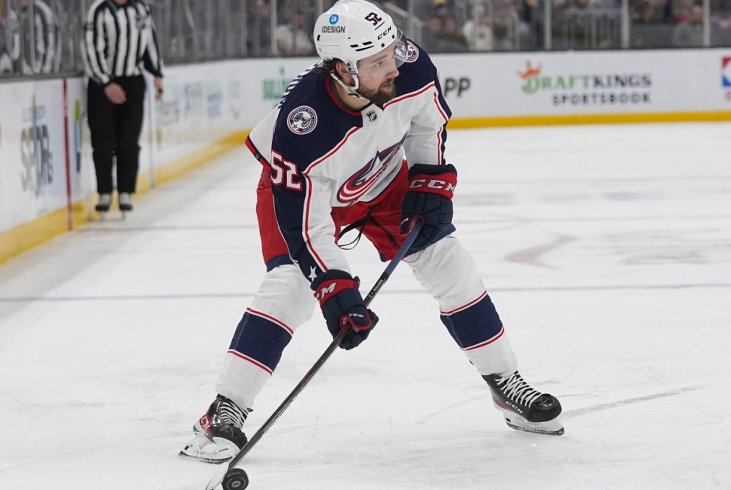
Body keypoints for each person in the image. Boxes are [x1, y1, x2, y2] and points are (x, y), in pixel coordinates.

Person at [179, 0, 563, 464]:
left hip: (381, 179)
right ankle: (225, 410)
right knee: (291, 287)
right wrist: (334, 287)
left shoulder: (408, 65)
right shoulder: (302, 129)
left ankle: (505, 382)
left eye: (393, 51)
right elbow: (308, 227)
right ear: (343, 69)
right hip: (308, 200)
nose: (394, 66)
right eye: (379, 62)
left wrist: (429, 175)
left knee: (448, 261)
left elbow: (429, 121)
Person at [82, 0, 164, 214]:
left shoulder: (140, 9)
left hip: (133, 82)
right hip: (102, 85)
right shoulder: (99, 10)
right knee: (103, 141)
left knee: (129, 140)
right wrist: (106, 82)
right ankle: (105, 192)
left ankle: (126, 191)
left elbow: (150, 42)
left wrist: (157, 73)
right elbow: (91, 48)